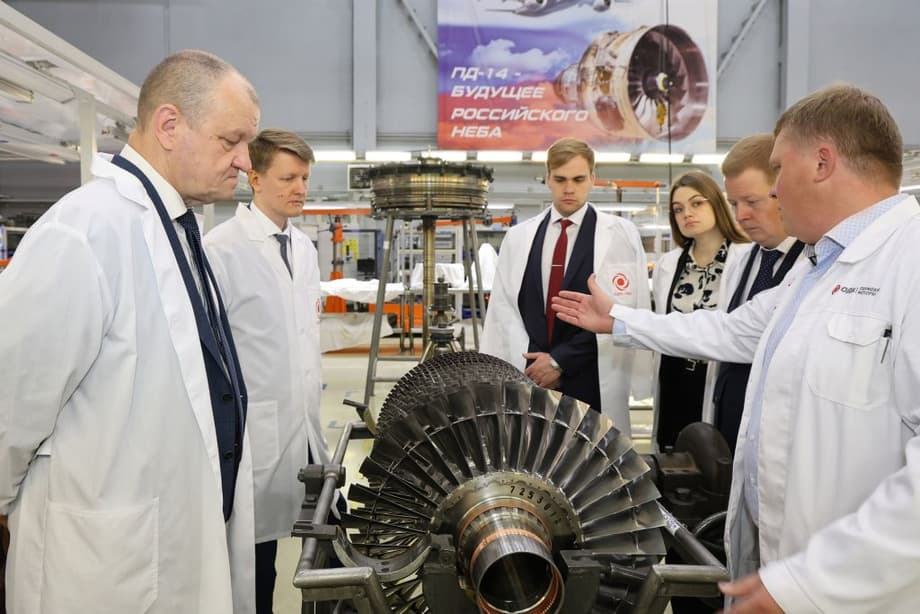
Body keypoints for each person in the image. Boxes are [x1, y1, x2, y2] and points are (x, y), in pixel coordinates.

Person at [553, 84, 920, 612]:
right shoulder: (815, 270)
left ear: (822, 163)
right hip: (785, 564)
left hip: (853, 588)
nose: (776, 192)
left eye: (779, 170)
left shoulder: (907, 264)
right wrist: (619, 320)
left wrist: (817, 580)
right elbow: (728, 331)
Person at [0, 50, 260, 613]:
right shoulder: (84, 231)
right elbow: (8, 403)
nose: (244, 161)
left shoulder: (175, 227)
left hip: (172, 542)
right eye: (231, 140)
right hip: (104, 564)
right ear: (169, 125)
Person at [204, 129, 330, 613]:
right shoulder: (222, 249)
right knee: (256, 565)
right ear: (254, 178)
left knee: (324, 544)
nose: (300, 188)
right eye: (288, 178)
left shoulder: (303, 247)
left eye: (305, 178)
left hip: (304, 428)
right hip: (255, 434)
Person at [480, 137, 649, 432]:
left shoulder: (621, 235)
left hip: (592, 373)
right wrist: (538, 364)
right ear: (547, 178)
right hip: (532, 374)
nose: (569, 189)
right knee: (535, 454)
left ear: (593, 178)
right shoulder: (519, 238)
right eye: (560, 179)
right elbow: (505, 310)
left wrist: (560, 361)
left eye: (578, 179)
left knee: (592, 453)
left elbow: (624, 311)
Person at [712, 134, 805, 450]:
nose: (740, 216)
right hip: (729, 426)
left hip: (777, 438)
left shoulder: (811, 264)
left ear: (782, 190)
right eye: (734, 204)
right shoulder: (741, 260)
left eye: (752, 202)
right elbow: (725, 334)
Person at [651, 171, 750, 450]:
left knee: (716, 456)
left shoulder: (744, 257)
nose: (687, 214)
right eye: (678, 209)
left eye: (697, 203)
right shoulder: (669, 264)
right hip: (673, 376)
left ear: (717, 203)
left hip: (716, 373)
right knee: (673, 455)